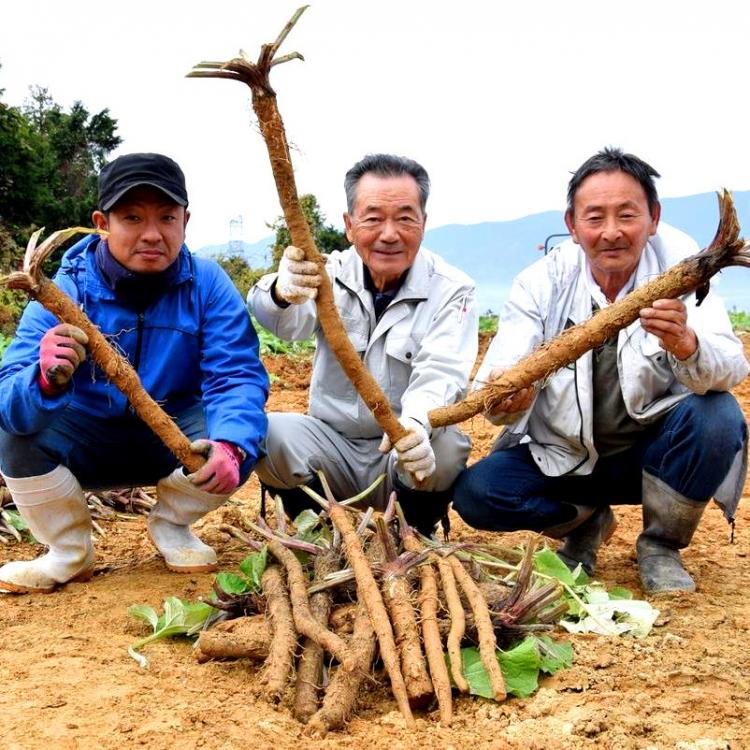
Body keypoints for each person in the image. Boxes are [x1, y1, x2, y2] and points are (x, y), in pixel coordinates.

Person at [453, 147, 748, 593]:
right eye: (594, 218)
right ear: (572, 226)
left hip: (653, 458)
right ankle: (586, 523)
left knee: (718, 417)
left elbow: (731, 368)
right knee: (479, 493)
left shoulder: (684, 268)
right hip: (567, 458)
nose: (611, 232)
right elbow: (494, 384)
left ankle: (661, 545)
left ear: (653, 218)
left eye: (627, 215)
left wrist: (687, 345)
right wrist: (509, 398)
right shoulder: (540, 283)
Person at [0, 152, 269, 593]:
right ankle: (68, 552)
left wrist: (231, 445)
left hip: (174, 438)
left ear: (186, 220)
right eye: (131, 218)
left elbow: (236, 375)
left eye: (167, 217)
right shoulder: (63, 290)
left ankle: (173, 526)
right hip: (84, 441)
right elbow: (7, 397)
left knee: (247, 433)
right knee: (11, 434)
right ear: (101, 222)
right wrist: (43, 379)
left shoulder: (208, 284)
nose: (152, 234)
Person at [247, 153, 477, 533]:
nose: (389, 234)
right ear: (350, 226)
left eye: (405, 218)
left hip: (401, 449)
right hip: (332, 444)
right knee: (269, 434)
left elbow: (442, 371)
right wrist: (281, 291)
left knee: (448, 446)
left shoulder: (452, 289)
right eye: (373, 218)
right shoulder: (328, 273)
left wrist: (415, 426)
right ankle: (317, 532)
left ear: (423, 223)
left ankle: (414, 532)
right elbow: (287, 325)